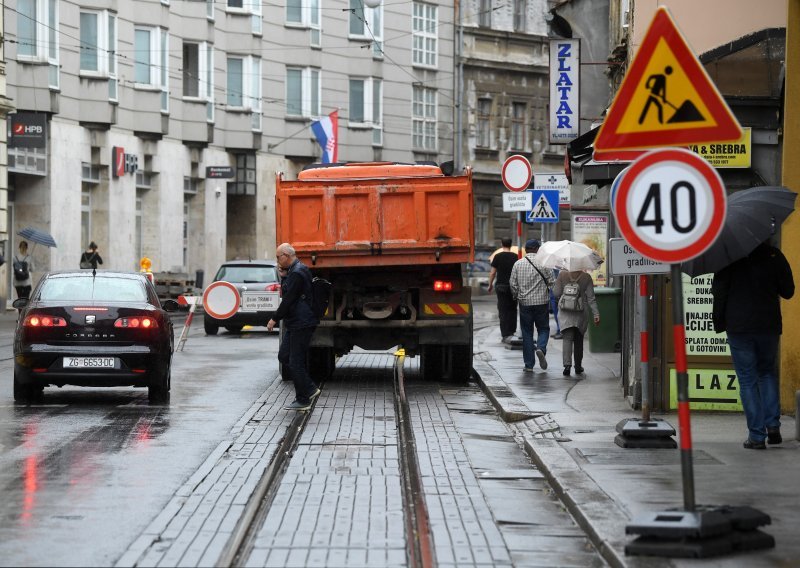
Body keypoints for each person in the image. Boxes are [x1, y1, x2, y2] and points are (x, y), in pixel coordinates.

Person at [711, 241, 794, 450]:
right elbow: (788, 291)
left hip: (739, 327)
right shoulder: (774, 255)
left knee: (747, 380)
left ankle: (757, 436)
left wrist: (719, 322)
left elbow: (719, 292)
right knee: (766, 373)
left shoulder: (727, 258)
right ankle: (773, 427)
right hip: (768, 325)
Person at [267, 243, 321, 411]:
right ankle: (305, 394)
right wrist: (283, 276)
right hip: (296, 322)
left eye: (278, 257)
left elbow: (289, 299)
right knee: (285, 356)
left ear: (286, 255)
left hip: (301, 322)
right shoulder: (295, 270)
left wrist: (274, 319)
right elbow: (290, 292)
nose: (277, 260)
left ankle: (306, 394)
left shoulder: (297, 273)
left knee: (295, 361)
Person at [510, 239, 555, 372]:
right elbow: (552, 282)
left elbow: (513, 284)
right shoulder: (544, 263)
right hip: (541, 302)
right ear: (537, 249)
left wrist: (517, 296)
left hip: (525, 303)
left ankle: (529, 365)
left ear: (526, 249)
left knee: (527, 333)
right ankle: (540, 348)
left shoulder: (518, 264)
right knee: (543, 329)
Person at [553, 269, 600, 376]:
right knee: (579, 340)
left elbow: (556, 293)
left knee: (567, 338)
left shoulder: (562, 275)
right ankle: (578, 366)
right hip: (581, 312)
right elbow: (591, 298)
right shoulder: (586, 277)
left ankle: (567, 366)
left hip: (565, 311)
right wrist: (596, 314)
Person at [487, 237, 518, 344]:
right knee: (513, 309)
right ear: (511, 244)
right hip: (513, 287)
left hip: (501, 287)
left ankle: (505, 334)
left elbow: (492, 273)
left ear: (501, 244)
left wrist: (490, 284)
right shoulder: (515, 257)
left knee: (503, 310)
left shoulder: (498, 256)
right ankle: (511, 331)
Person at [549, 268, 563, 339]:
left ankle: (561, 331)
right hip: (553, 290)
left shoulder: (561, 266)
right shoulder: (552, 265)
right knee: (555, 312)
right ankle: (558, 330)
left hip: (558, 291)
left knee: (558, 312)